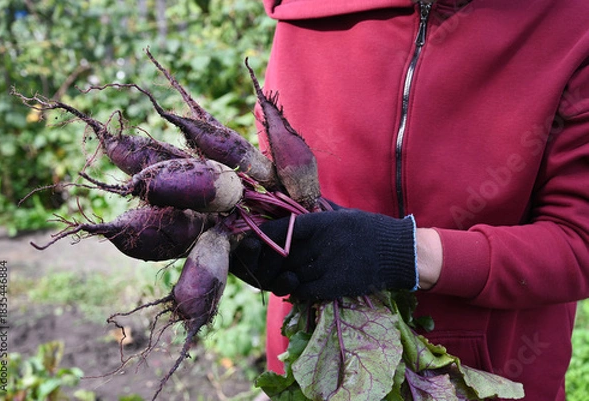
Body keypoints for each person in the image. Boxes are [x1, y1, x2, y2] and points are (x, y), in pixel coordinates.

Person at [230, 1, 589, 400]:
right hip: (321, 370)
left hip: (483, 378)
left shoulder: (574, 25)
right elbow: (280, 182)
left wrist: (403, 252)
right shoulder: (304, 8)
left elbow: (580, 241)